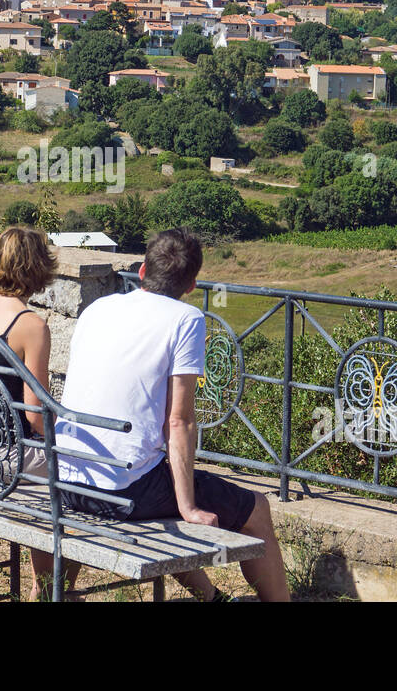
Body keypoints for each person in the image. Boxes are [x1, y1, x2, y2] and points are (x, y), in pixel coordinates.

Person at [54, 227, 290, 602]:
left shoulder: (98, 308)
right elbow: (179, 421)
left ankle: (211, 597)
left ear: (143, 272)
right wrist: (189, 506)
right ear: (192, 284)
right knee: (256, 509)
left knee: (161, 479)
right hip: (123, 491)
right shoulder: (186, 319)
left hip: (67, 479)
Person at [0, 225, 77, 600]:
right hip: (6, 459)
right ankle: (56, 589)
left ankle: (53, 586)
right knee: (79, 468)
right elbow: (37, 417)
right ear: (37, 268)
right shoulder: (31, 325)